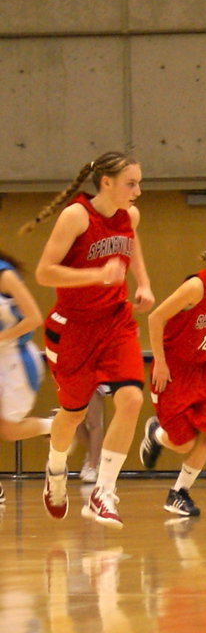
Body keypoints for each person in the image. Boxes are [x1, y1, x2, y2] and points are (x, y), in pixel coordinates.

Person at [25, 151, 154, 529]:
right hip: (73, 328)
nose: (138, 191)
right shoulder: (76, 216)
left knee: (131, 398)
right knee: (74, 414)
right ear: (107, 183)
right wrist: (96, 276)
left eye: (140, 182)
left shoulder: (129, 216)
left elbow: (134, 246)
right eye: (132, 183)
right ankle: (56, 468)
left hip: (115, 322)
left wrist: (142, 282)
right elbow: (44, 273)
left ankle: (103, 491)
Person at [139, 230, 206, 517]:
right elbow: (155, 317)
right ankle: (156, 433)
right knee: (183, 441)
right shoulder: (196, 286)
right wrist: (159, 363)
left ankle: (179, 492)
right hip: (176, 370)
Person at [0, 248, 55, 503]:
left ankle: (55, 426)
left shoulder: (5, 276)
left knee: (9, 431)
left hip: (17, 359)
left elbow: (34, 318)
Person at [73, 390, 105, 484]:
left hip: (94, 379)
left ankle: (93, 466)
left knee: (93, 421)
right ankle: (95, 455)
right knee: (74, 421)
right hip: (71, 379)